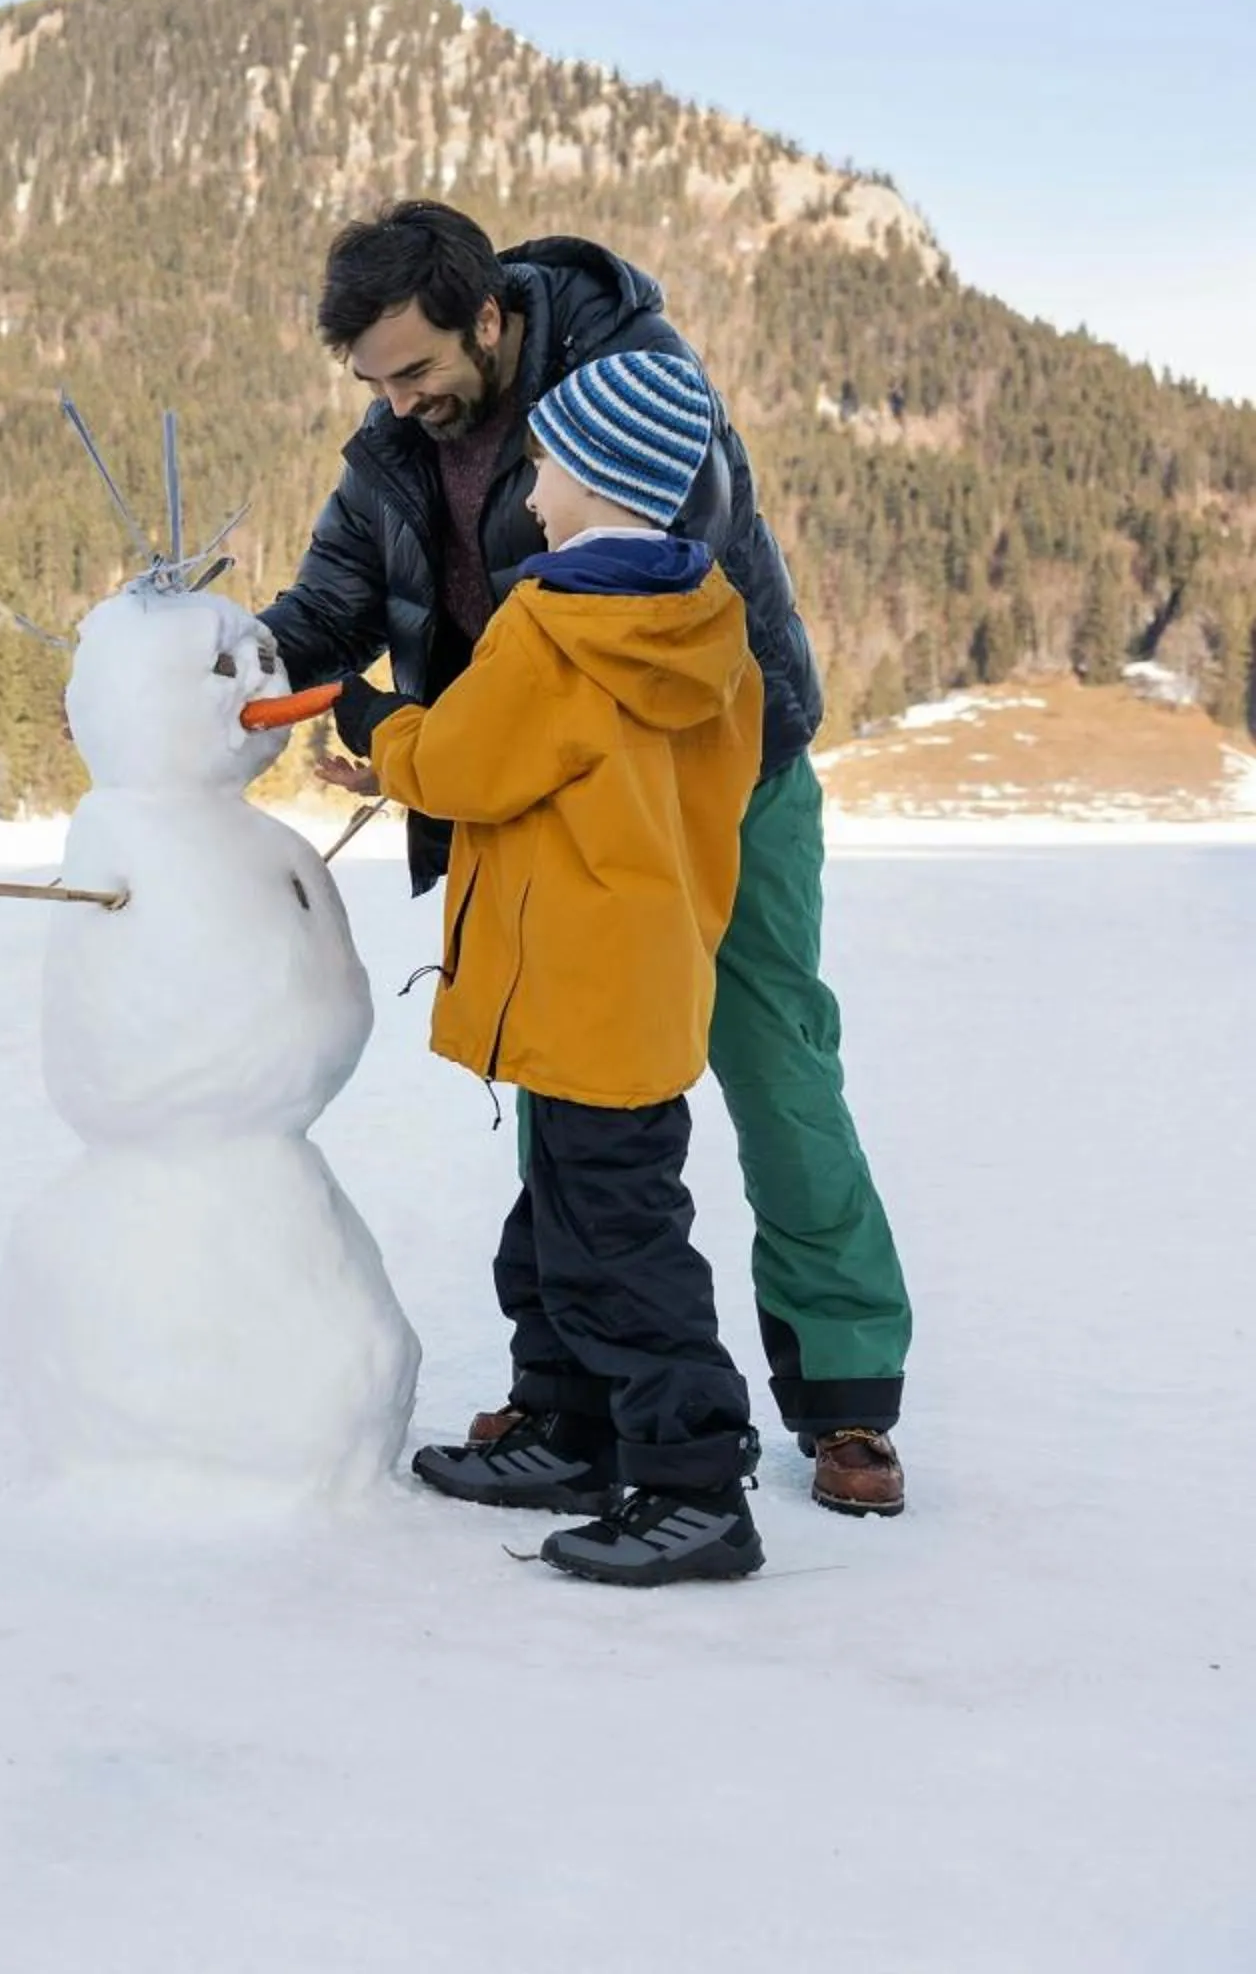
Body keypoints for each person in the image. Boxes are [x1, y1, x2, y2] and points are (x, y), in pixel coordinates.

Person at [259, 201, 913, 1516]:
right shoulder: (396, 451)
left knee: (775, 1063)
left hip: (716, 785)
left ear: (489, 315)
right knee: (566, 1093)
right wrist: (201, 673)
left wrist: (440, 741)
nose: (398, 402)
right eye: (374, 382)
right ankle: (575, 1399)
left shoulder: (627, 391)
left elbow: (661, 600)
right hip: (534, 796)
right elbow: (328, 607)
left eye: (418, 369)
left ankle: (845, 1396)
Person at [333, 350, 765, 1583]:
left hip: (583, 989)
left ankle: (695, 1488)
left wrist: (373, 722)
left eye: (548, 470)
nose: (530, 495)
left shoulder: (559, 627)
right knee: (564, 1228)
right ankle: (570, 1427)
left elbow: (466, 764)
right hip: (640, 985)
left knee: (620, 1245)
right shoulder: (707, 631)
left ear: (599, 484)